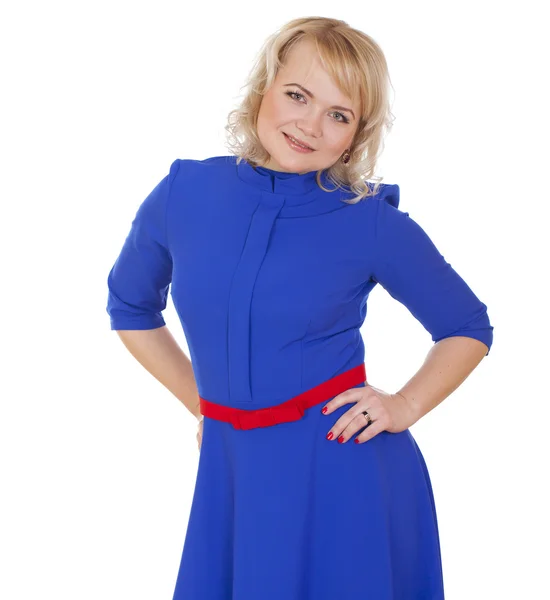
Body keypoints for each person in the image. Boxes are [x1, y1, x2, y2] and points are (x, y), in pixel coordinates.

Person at [106, 16, 493, 600]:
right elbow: (130, 307)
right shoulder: (183, 193)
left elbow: (467, 326)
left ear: (356, 134)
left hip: (342, 469)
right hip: (230, 471)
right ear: (264, 87)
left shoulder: (370, 222)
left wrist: (405, 404)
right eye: (297, 95)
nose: (310, 125)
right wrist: (205, 406)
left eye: (338, 115)